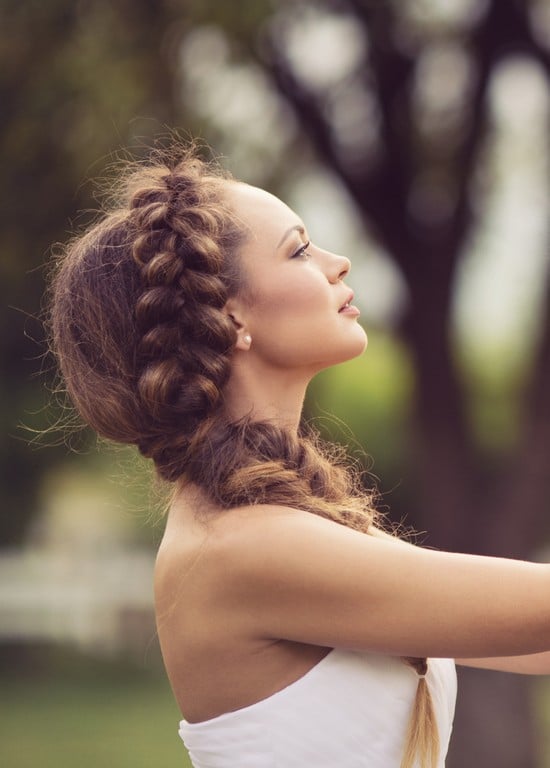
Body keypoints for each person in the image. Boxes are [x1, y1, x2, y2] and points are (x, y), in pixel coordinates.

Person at [49, 145, 550, 768]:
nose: (338, 263)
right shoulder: (239, 548)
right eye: (298, 249)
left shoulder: (277, 525)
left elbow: (529, 640)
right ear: (230, 314)